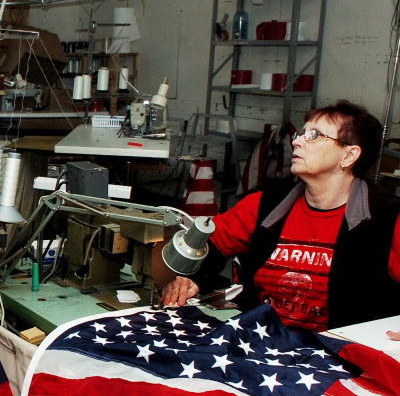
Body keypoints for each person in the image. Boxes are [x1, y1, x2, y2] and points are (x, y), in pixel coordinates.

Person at [162, 100, 400, 332]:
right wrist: (188, 278)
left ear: (349, 156)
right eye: (301, 134)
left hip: (339, 355)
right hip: (263, 344)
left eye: (314, 136)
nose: (297, 143)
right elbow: (207, 247)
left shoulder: (388, 218)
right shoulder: (264, 206)